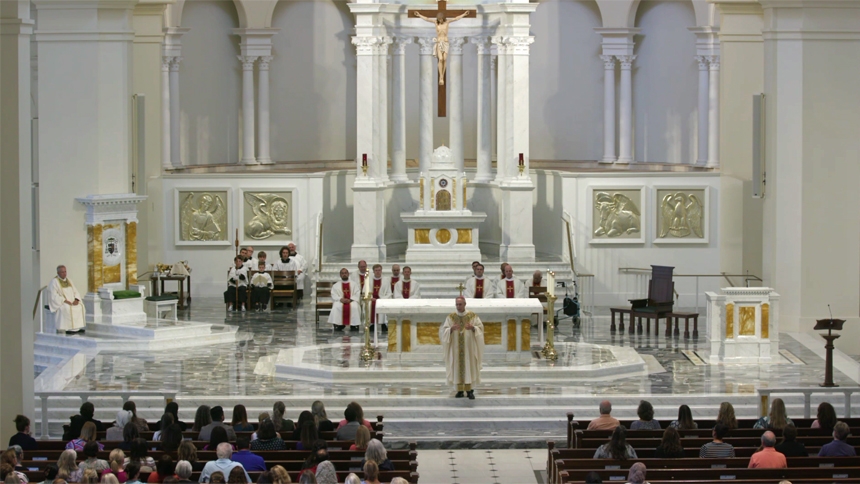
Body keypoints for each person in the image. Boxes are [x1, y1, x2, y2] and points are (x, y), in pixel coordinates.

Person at [441, 296, 484, 399]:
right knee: (457, 367)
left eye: (460, 304)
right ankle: (459, 390)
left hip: (469, 348)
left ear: (465, 304)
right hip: (456, 349)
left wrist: (473, 328)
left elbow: (480, 328)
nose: (458, 306)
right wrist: (451, 329)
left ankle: (470, 391)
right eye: (456, 304)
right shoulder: (451, 317)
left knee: (470, 367)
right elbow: (444, 331)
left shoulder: (472, 316)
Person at [48, 265, 86, 334]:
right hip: (62, 302)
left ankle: (77, 328)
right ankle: (68, 328)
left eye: (65, 271)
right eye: (62, 272)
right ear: (58, 273)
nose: (64, 273)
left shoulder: (69, 280)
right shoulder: (54, 282)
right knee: (66, 308)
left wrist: (76, 300)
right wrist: (64, 300)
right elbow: (53, 295)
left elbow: (75, 291)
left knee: (80, 306)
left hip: (72, 301)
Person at [366, 264, 391, 332]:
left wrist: (381, 299)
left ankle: (383, 324)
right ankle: (372, 324)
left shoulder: (386, 280)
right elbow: (365, 291)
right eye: (376, 270)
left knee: (382, 305)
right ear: (373, 271)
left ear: (381, 271)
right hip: (371, 299)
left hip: (382, 299)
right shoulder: (368, 280)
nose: (378, 272)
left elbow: (389, 293)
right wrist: (370, 298)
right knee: (369, 305)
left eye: (379, 270)